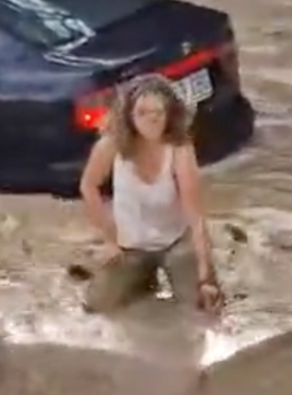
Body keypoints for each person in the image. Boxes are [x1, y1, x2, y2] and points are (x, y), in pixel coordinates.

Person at [78, 73, 223, 314]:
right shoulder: (111, 144)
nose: (151, 119)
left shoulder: (179, 150)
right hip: (129, 246)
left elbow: (195, 217)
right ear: (129, 115)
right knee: (95, 308)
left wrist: (205, 277)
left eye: (159, 112)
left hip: (174, 242)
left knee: (205, 310)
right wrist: (109, 239)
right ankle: (141, 280)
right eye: (143, 112)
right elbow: (88, 186)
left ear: (169, 115)